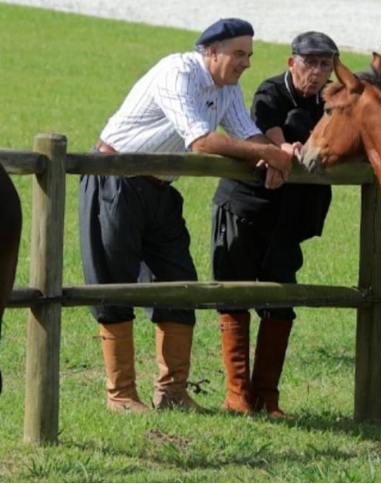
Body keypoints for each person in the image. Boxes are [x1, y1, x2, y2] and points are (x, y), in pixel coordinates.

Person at [80, 18, 296, 413]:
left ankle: (173, 393)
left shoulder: (227, 87)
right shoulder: (177, 70)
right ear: (211, 53)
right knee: (113, 285)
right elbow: (200, 140)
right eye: (239, 54)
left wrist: (279, 156)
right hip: (116, 180)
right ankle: (122, 395)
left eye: (249, 55)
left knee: (179, 284)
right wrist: (267, 154)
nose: (246, 63)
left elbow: (248, 134)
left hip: (161, 190)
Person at [211, 31, 338, 417]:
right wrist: (286, 149)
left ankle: (267, 396)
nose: (316, 72)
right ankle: (237, 395)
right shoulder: (270, 91)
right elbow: (273, 133)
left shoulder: (331, 102)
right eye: (309, 63)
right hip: (246, 207)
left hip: (289, 215)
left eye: (325, 65)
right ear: (291, 62)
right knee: (236, 294)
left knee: (281, 300)